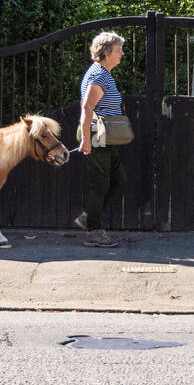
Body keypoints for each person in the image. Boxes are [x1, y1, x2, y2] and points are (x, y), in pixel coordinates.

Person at [74, 32, 127, 247]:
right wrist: (86, 139)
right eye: (118, 50)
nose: (121, 53)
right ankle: (94, 232)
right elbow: (87, 108)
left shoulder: (104, 73)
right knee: (100, 185)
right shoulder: (98, 76)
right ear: (106, 53)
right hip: (96, 137)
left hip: (105, 137)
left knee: (119, 180)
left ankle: (89, 218)